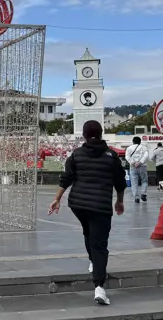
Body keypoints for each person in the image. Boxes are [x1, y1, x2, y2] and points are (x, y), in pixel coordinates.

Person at [48, 120, 126, 306]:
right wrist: (120, 201)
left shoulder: (77, 154)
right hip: (100, 206)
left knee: (88, 232)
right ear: (101, 133)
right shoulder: (111, 156)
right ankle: (99, 287)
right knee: (99, 245)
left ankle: (92, 261)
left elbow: (66, 178)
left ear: (84, 135)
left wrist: (57, 199)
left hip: (78, 205)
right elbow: (120, 181)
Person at [125, 136, 149, 203]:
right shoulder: (144, 148)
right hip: (142, 166)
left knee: (134, 182)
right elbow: (146, 155)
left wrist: (133, 163)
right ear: (140, 141)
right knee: (144, 181)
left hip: (133, 167)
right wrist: (140, 162)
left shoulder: (129, 148)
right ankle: (143, 194)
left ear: (133, 141)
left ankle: (136, 197)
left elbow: (127, 156)